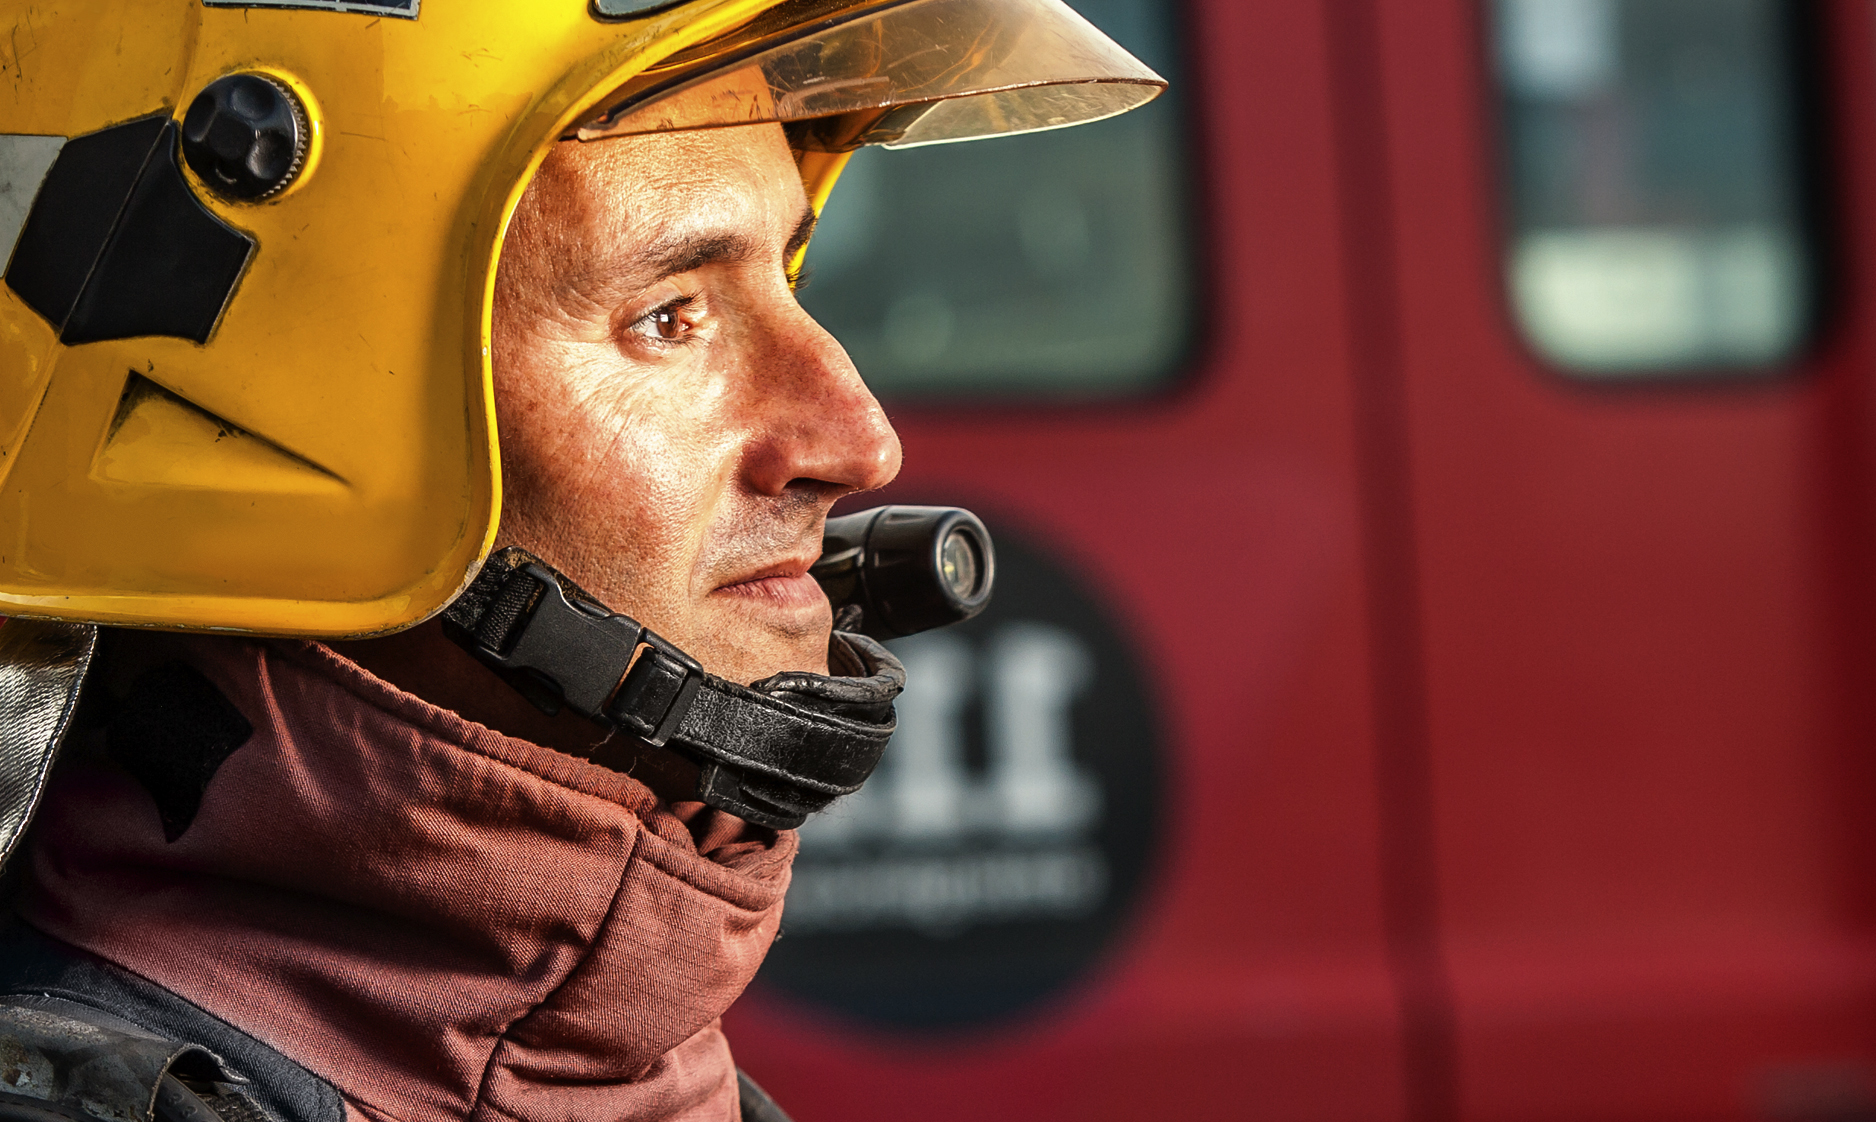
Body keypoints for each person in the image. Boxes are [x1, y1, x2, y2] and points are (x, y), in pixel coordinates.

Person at [0, 1, 1162, 1120]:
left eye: (791, 278)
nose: (858, 443)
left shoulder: (637, 1072)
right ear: (272, 430)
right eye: (670, 317)